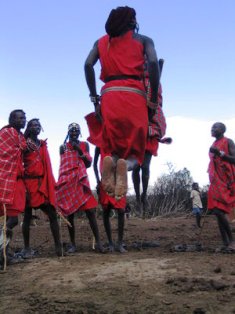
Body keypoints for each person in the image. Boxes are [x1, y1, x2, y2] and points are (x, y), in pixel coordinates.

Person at [84, 6, 160, 201]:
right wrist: (151, 101)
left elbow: (87, 65)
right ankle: (127, 166)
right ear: (132, 21)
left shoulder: (100, 42)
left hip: (109, 95)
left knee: (113, 145)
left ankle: (113, 161)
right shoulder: (143, 40)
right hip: (134, 95)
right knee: (136, 150)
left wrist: (94, 98)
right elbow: (152, 63)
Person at [56, 123, 104, 253]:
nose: (74, 132)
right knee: (70, 214)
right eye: (71, 131)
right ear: (68, 132)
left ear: (79, 132)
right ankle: (72, 244)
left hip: (81, 181)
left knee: (90, 212)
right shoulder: (63, 147)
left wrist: (79, 150)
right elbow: (63, 166)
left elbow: (88, 163)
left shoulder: (84, 145)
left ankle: (99, 242)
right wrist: (60, 182)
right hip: (67, 182)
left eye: (76, 130)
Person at [21, 119, 62, 257]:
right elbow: (19, 164)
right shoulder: (24, 144)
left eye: (38, 125)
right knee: (27, 217)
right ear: (29, 128)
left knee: (52, 214)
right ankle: (26, 248)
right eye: (33, 125)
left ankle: (58, 247)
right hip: (28, 184)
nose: (36, 127)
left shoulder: (42, 144)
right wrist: (23, 188)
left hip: (42, 183)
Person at [0, 110, 27, 266]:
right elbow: (3, 153)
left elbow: (22, 149)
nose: (23, 120)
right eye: (19, 118)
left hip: (14, 180)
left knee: (13, 218)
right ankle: (2, 251)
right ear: (11, 120)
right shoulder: (7, 133)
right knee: (12, 219)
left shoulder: (20, 137)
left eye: (24, 118)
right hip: (5, 178)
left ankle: (4, 250)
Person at [94, 146, 127, 253]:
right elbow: (95, 164)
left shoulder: (120, 143)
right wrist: (98, 181)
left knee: (121, 210)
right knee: (106, 210)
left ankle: (119, 243)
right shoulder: (99, 145)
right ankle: (111, 242)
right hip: (105, 181)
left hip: (118, 181)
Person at [208, 122, 235, 251]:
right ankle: (225, 243)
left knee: (220, 212)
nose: (212, 129)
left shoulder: (228, 141)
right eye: (212, 127)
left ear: (223, 130)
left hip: (227, 181)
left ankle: (232, 241)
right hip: (216, 182)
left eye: (215, 127)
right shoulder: (213, 145)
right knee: (217, 212)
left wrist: (220, 154)